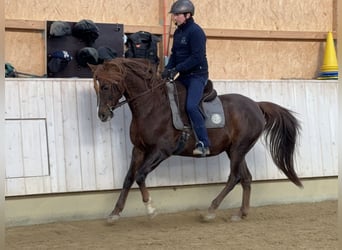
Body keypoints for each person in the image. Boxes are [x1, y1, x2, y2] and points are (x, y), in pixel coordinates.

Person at [162, 0, 210, 156]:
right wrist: (167, 69)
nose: (174, 18)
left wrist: (177, 69)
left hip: (197, 76)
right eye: (174, 15)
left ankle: (203, 143)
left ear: (187, 15)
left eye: (177, 15)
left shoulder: (196, 32)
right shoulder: (178, 32)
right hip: (183, 75)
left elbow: (197, 57)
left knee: (190, 106)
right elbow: (175, 55)